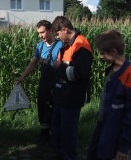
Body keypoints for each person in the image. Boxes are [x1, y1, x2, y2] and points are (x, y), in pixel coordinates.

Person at [87, 30, 131, 160]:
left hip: (117, 135)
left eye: (103, 53)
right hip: (105, 127)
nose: (101, 56)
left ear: (114, 52)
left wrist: (124, 147)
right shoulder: (113, 69)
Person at [50, 16, 93, 160]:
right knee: (57, 127)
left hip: (72, 96)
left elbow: (79, 74)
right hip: (61, 95)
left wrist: (60, 67)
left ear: (65, 29)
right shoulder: (67, 45)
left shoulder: (81, 45)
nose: (56, 37)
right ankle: (60, 154)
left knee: (68, 131)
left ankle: (70, 156)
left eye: (57, 34)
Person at [16, 20, 63, 143]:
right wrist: (23, 76)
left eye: (42, 32)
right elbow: (33, 63)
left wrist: (57, 86)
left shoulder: (60, 45)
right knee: (42, 107)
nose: (40, 35)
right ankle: (44, 135)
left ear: (50, 30)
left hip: (56, 83)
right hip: (44, 83)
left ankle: (54, 138)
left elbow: (61, 67)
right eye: (38, 33)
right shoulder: (40, 46)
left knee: (53, 109)